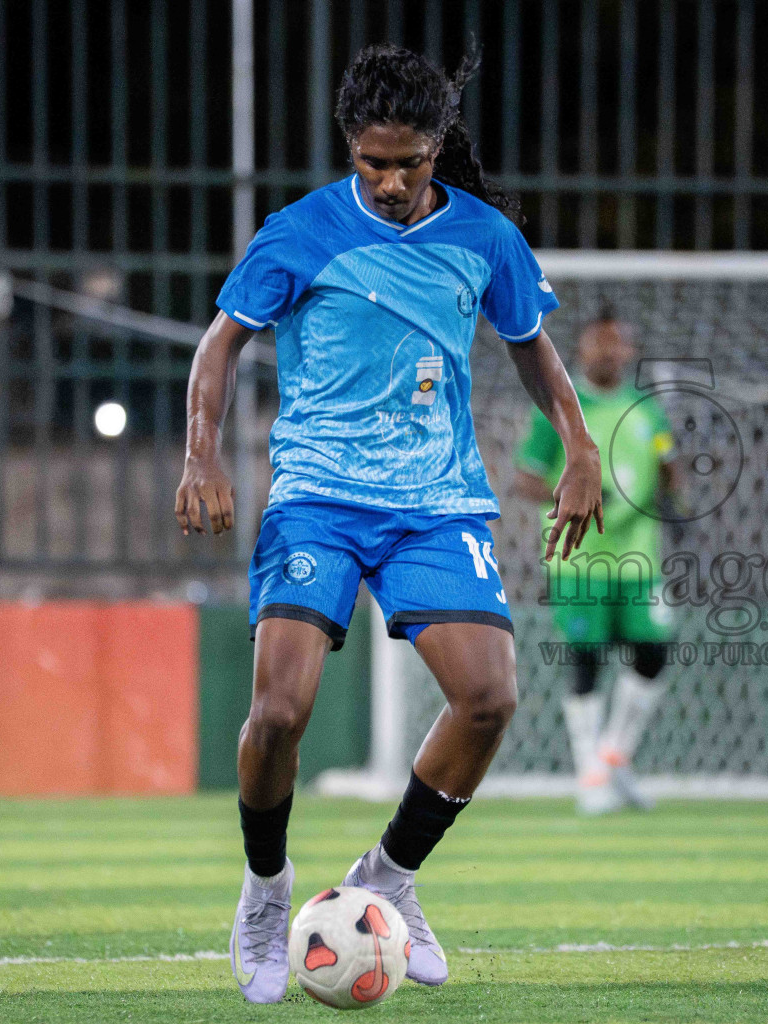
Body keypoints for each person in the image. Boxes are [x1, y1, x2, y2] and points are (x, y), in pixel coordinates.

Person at [174, 44, 602, 1004]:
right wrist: (201, 451)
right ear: (350, 149)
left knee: (489, 698)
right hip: (317, 496)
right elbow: (220, 345)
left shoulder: (486, 236)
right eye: (374, 162)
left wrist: (579, 446)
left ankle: (390, 879)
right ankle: (264, 891)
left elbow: (532, 349)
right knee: (279, 713)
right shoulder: (298, 232)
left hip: (436, 500)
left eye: (410, 161)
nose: (394, 181)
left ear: (436, 146)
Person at [513, 313, 679, 815]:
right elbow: (524, 479)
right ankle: (590, 774)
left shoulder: (647, 410)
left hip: (638, 560)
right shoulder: (559, 410)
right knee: (586, 659)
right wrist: (574, 494)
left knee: (654, 651)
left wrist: (672, 488)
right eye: (597, 345)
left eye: (616, 344)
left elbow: (668, 462)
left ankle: (614, 754)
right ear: (581, 351)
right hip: (578, 561)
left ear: (628, 351)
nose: (606, 353)